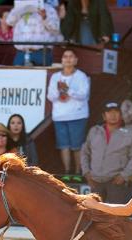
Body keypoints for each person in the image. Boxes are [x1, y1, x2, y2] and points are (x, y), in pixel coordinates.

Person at [81, 102, 132, 204]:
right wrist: (86, 173)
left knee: (115, 217)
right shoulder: (94, 131)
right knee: (94, 215)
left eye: (116, 112)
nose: (113, 115)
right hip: (95, 181)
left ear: (121, 115)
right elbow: (85, 153)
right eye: (109, 112)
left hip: (116, 181)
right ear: (104, 116)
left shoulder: (131, 134)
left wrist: (124, 176)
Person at [46, 49, 90, 177]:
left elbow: (83, 95)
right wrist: (59, 93)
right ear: (62, 60)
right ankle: (67, 172)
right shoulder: (55, 77)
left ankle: (78, 172)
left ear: (76, 60)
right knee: (64, 146)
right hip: (59, 116)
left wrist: (68, 90)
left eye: (71, 56)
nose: (68, 59)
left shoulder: (81, 76)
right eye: (65, 56)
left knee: (77, 146)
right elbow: (50, 96)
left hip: (77, 115)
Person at [6, 1, 62, 66]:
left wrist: (45, 17)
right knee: (18, 75)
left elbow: (55, 28)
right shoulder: (18, 7)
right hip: (22, 52)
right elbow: (9, 22)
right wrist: (17, 11)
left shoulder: (49, 9)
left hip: (41, 53)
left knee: (41, 75)